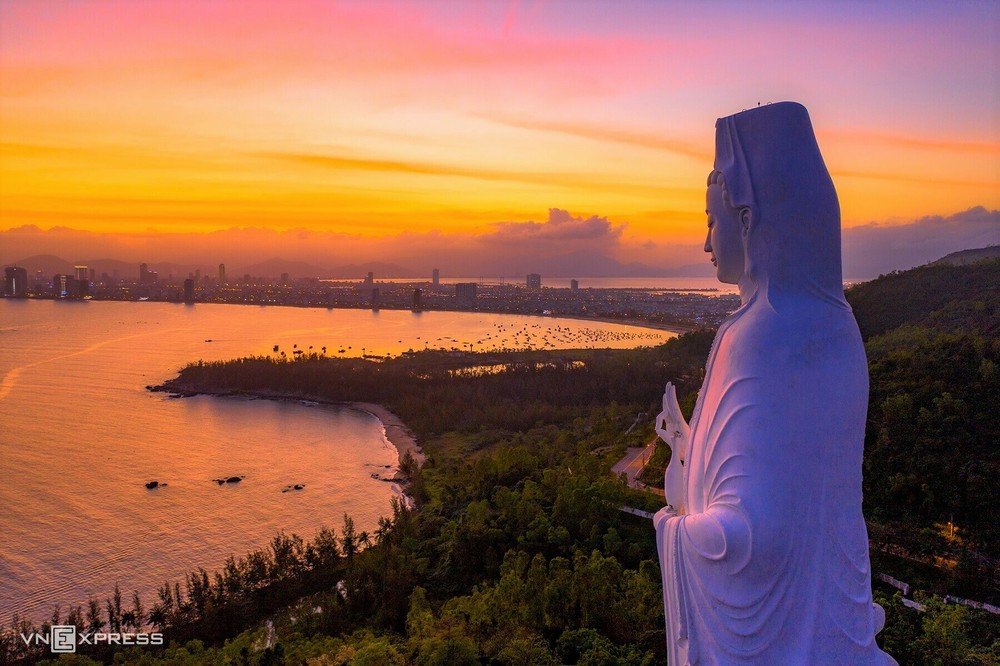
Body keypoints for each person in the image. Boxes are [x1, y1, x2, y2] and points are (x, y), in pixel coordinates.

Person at [654, 102, 897, 664]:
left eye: (712, 222)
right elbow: (792, 493)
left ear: (749, 220)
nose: (706, 244)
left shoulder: (757, 337)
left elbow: (754, 540)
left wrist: (674, 528)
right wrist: (689, 447)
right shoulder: (839, 326)